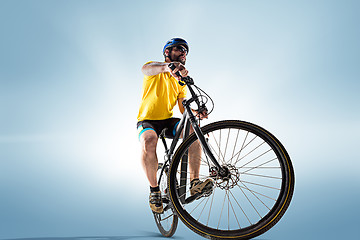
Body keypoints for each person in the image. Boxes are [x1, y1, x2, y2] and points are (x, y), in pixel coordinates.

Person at [137, 38, 213, 213]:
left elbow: (181, 106)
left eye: (185, 51)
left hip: (167, 120)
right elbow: (145, 69)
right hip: (147, 120)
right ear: (167, 52)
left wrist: (197, 112)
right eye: (179, 49)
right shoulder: (155, 69)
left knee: (195, 131)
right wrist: (168, 68)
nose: (183, 52)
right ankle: (154, 191)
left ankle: (195, 183)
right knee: (149, 140)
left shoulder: (178, 81)